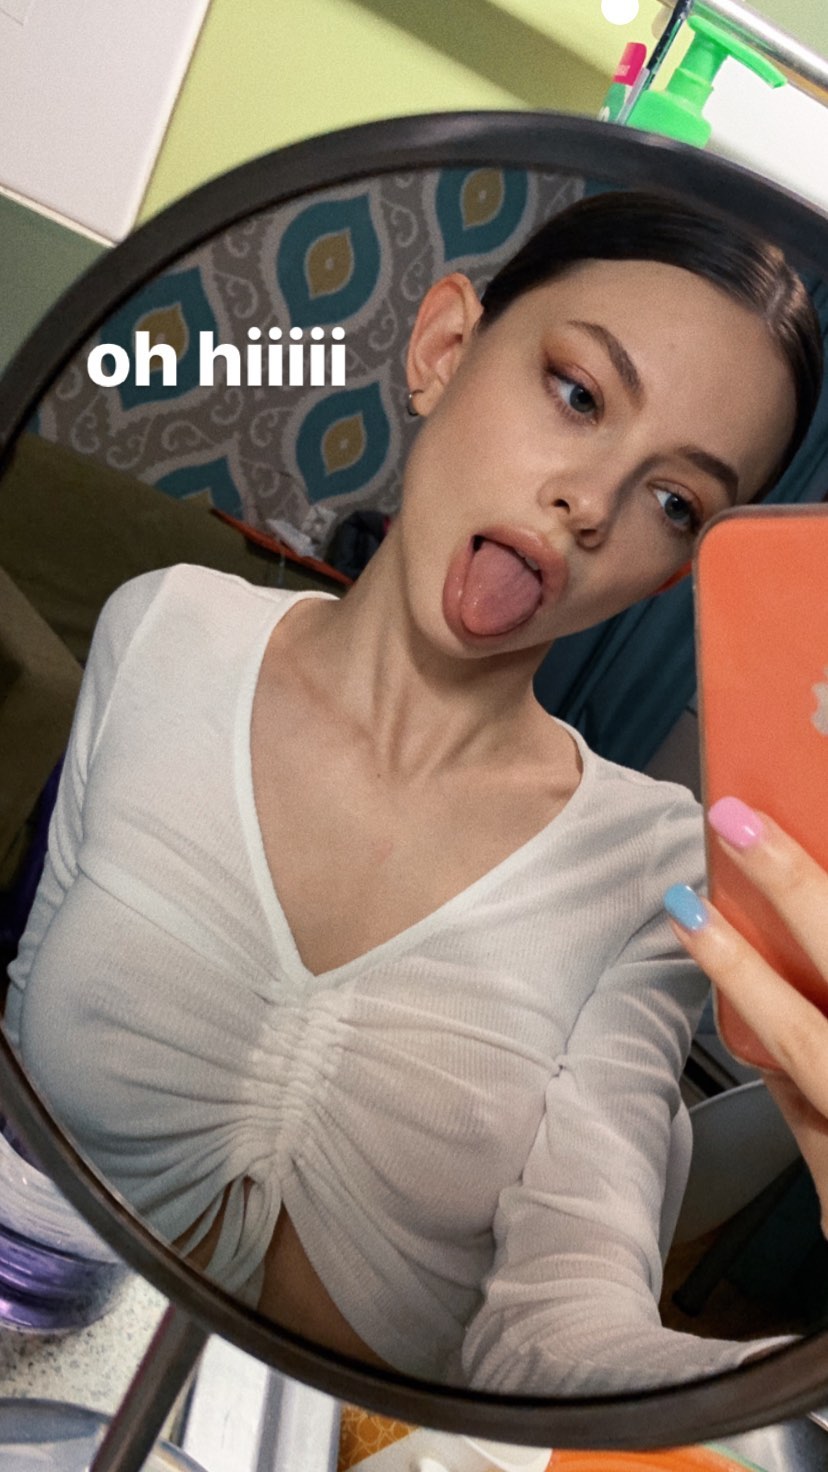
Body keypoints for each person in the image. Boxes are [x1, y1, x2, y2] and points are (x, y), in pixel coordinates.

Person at [5, 190, 825, 1394]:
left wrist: (773, 1398)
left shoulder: (652, 862)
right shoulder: (164, 627)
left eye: (674, 503)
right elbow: (24, 1027)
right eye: (579, 392)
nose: (593, 503)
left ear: (675, 571)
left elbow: (565, 1314)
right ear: (444, 346)